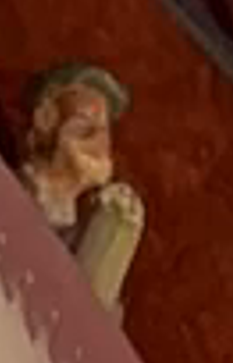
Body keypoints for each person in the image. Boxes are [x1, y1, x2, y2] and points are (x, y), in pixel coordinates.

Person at [17, 61, 143, 312]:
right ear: (46, 118)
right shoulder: (18, 193)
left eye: (104, 130)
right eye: (85, 122)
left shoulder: (84, 229)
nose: (99, 141)